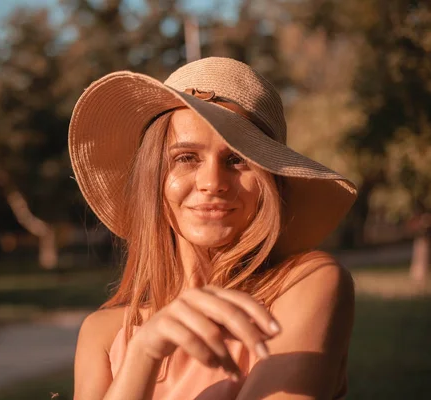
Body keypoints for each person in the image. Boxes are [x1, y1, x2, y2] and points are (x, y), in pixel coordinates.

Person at [68, 57, 357, 400]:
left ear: (271, 184)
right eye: (186, 158)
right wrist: (143, 354)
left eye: (237, 159)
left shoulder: (307, 284)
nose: (212, 182)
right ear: (153, 179)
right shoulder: (102, 335)